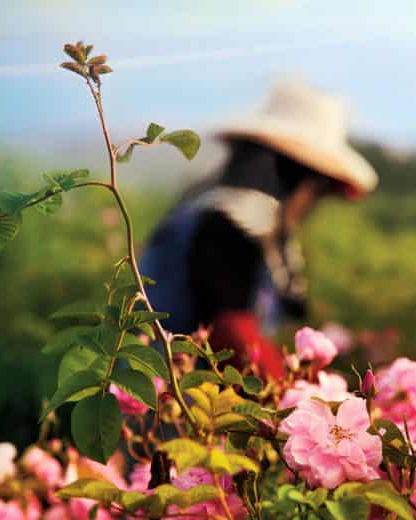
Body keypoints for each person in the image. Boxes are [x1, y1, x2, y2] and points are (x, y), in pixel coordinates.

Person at [141, 79, 377, 378]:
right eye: (318, 188)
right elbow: (232, 335)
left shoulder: (219, 214)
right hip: (172, 408)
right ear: (299, 180)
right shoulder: (228, 225)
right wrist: (296, 400)